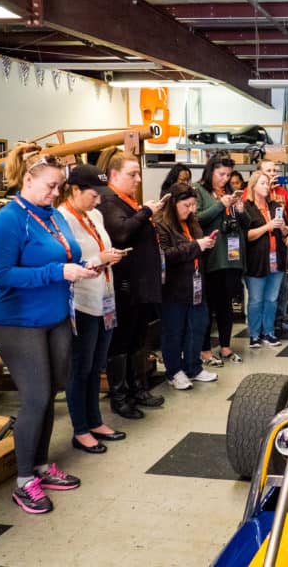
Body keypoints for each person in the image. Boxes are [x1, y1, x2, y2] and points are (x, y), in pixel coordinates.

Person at [0, 145, 98, 514]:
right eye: (50, 187)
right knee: (34, 398)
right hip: (19, 322)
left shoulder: (52, 216)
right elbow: (1, 276)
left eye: (59, 188)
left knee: (51, 394)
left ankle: (38, 465)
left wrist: (85, 265)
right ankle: (23, 481)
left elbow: (65, 254)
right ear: (28, 179)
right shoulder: (8, 220)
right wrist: (57, 273)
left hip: (55, 318)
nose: (55, 194)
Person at [59, 165, 127, 454]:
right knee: (81, 367)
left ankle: (95, 420)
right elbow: (69, 259)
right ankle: (81, 429)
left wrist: (110, 258)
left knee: (97, 363)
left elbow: (99, 252)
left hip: (105, 297)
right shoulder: (62, 218)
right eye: (92, 195)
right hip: (82, 302)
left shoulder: (95, 215)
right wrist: (99, 258)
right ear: (74, 190)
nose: (98, 201)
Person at [98, 150, 166, 419]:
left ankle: (138, 387)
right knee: (122, 340)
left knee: (138, 338)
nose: (138, 178)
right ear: (114, 175)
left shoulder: (129, 201)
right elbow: (121, 232)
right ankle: (120, 395)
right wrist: (147, 211)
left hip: (140, 284)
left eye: (138, 173)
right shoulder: (108, 201)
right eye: (132, 174)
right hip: (125, 285)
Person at [154, 183, 218, 389]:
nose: (191, 209)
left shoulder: (192, 222)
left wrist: (206, 245)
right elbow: (166, 255)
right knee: (174, 330)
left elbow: (196, 248)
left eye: (193, 205)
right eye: (186, 205)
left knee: (197, 326)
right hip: (174, 287)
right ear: (173, 203)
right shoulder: (161, 224)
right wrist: (196, 246)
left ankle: (193, 366)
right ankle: (174, 371)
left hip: (197, 283)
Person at [194, 155, 246, 366]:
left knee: (227, 305)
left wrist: (241, 211)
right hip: (212, 258)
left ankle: (225, 346)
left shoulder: (228, 193)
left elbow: (244, 224)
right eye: (221, 174)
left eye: (228, 175)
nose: (224, 179)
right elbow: (196, 218)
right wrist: (219, 205)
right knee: (208, 306)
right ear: (210, 172)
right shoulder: (199, 191)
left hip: (232, 258)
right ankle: (205, 350)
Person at [243, 172, 288, 348]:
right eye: (262, 183)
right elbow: (247, 235)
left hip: (276, 258)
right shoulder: (247, 208)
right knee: (256, 299)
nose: (266, 186)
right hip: (256, 260)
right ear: (253, 186)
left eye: (268, 184)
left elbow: (285, 230)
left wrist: (283, 228)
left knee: (271, 299)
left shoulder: (275, 205)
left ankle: (268, 331)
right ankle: (254, 334)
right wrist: (267, 226)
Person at [257, 160, 288, 336]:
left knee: (280, 287)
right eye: (268, 170)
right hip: (261, 249)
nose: (273, 173)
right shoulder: (255, 194)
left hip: (280, 247)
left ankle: (279, 321)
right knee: (261, 292)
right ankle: (261, 327)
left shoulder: (282, 192)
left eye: (275, 170)